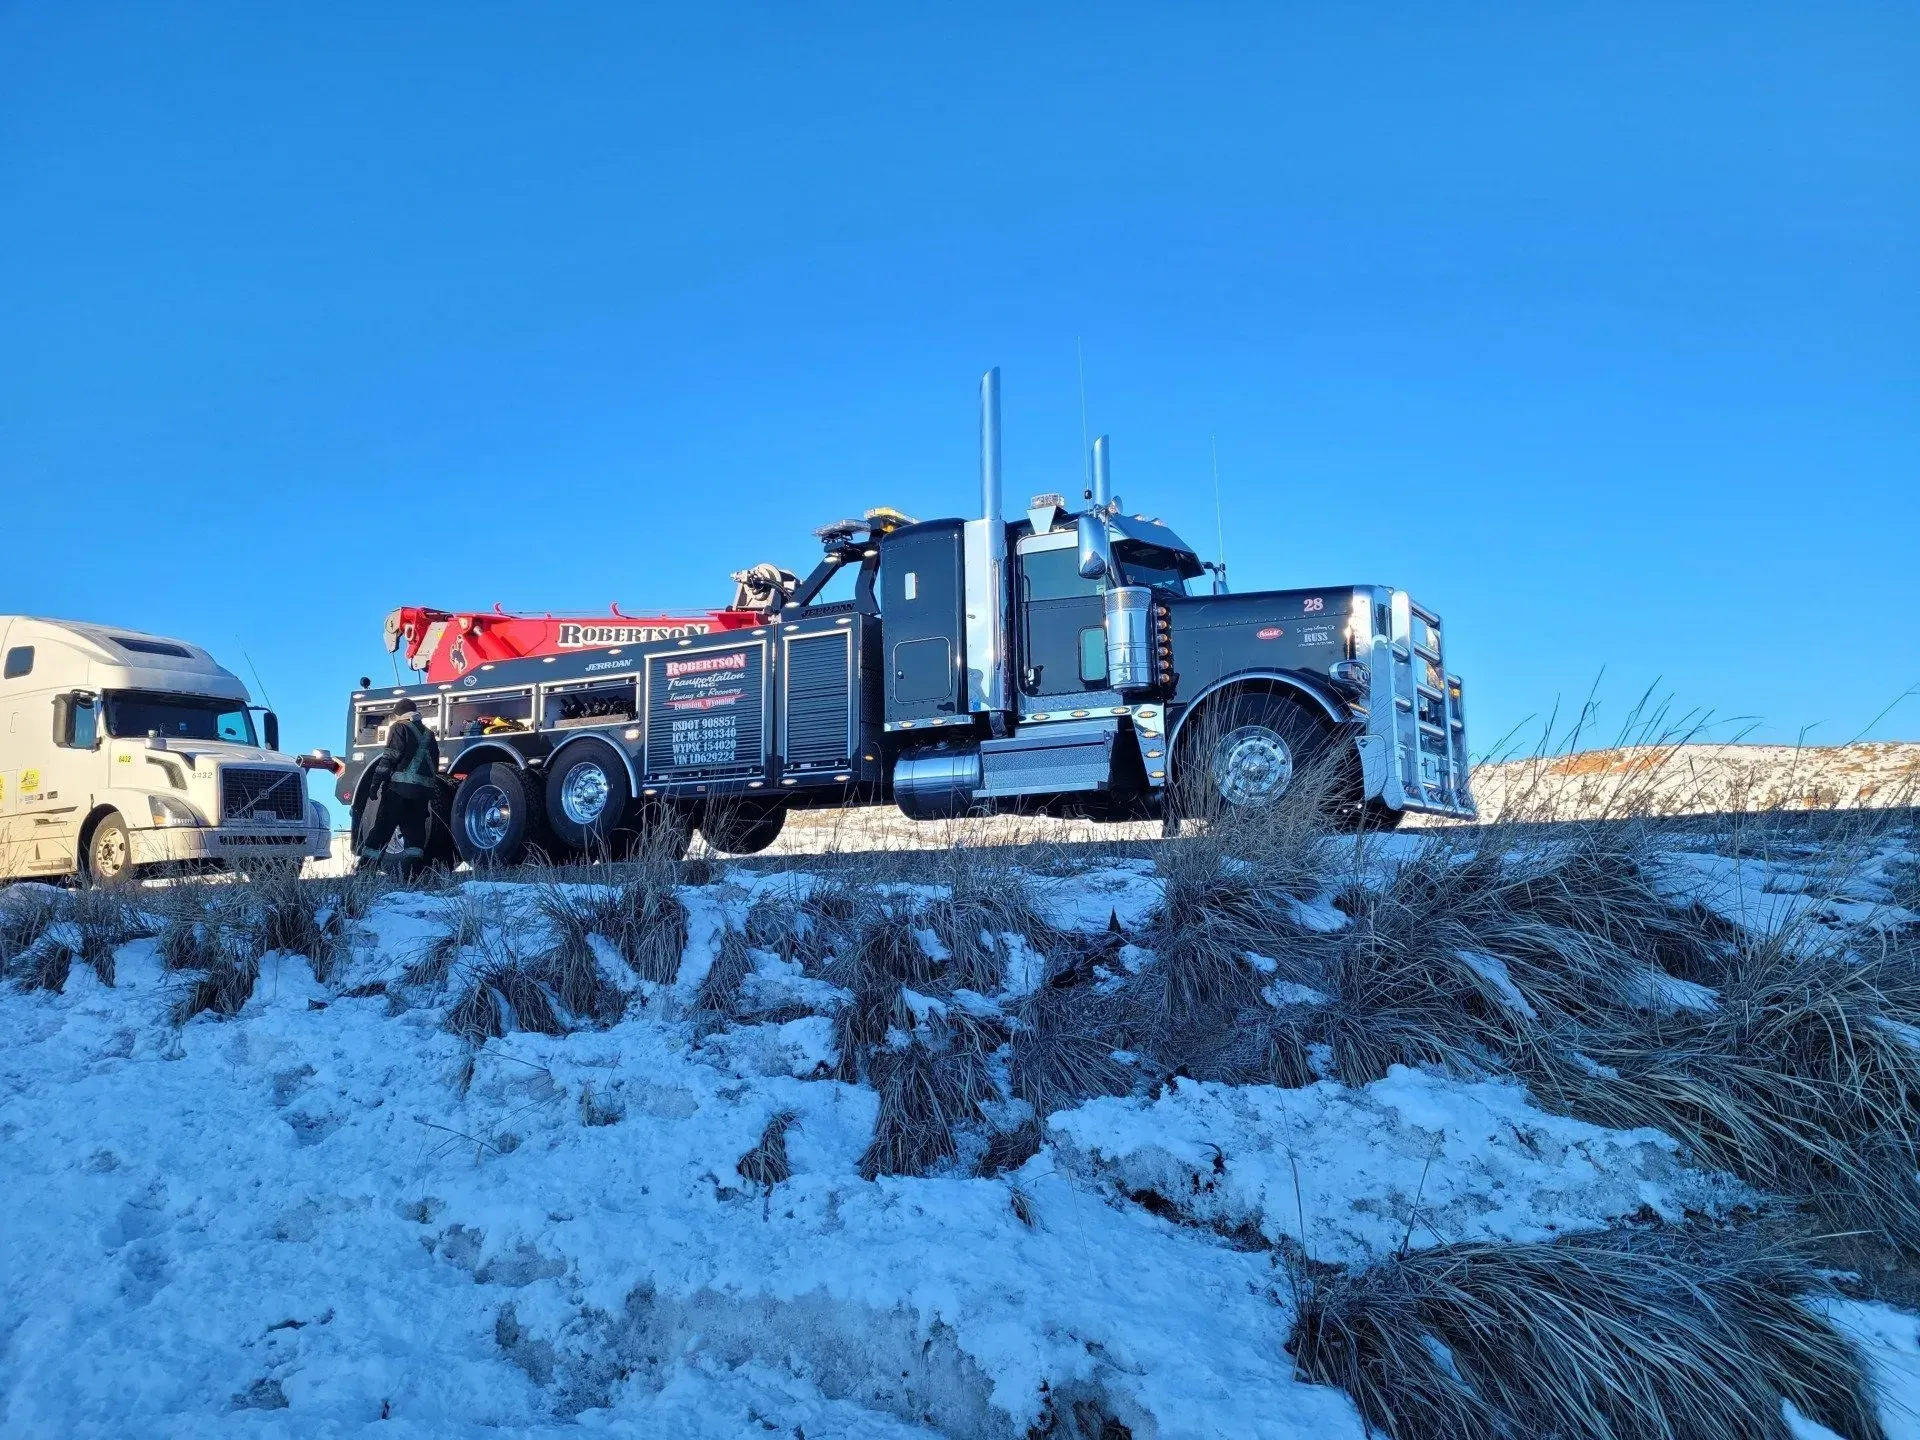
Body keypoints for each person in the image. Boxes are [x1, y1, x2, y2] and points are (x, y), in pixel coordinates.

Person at [357, 697, 441, 879]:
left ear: (399, 713)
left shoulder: (399, 727)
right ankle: (412, 876)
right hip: (421, 794)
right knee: (415, 838)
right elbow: (435, 764)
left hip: (398, 791)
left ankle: (363, 875)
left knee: (381, 831)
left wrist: (375, 784)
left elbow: (389, 758)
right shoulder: (429, 734)